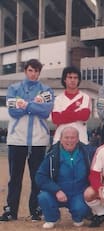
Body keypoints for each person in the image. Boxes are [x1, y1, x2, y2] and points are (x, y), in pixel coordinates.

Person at [0, 59, 54, 222]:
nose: (34, 74)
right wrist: (33, 106)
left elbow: (45, 111)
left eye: (37, 71)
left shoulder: (46, 90)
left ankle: (36, 209)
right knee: (15, 177)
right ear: (25, 70)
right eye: (31, 70)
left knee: (37, 177)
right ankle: (11, 210)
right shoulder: (14, 88)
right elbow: (13, 112)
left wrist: (25, 105)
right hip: (17, 138)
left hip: (38, 139)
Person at [35, 127, 96, 229]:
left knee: (80, 210)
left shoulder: (88, 152)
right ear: (61, 139)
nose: (69, 140)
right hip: (58, 193)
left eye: (73, 138)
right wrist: (56, 190)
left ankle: (78, 217)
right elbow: (40, 176)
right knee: (43, 197)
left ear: (78, 139)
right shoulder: (52, 155)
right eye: (66, 137)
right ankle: (52, 218)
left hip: (79, 193)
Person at [51, 66, 91, 144]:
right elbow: (56, 118)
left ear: (79, 80)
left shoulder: (85, 97)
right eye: (70, 77)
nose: (73, 80)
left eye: (75, 78)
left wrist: (64, 114)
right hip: (60, 140)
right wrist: (77, 114)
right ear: (65, 79)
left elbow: (85, 116)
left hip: (80, 140)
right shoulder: (58, 99)